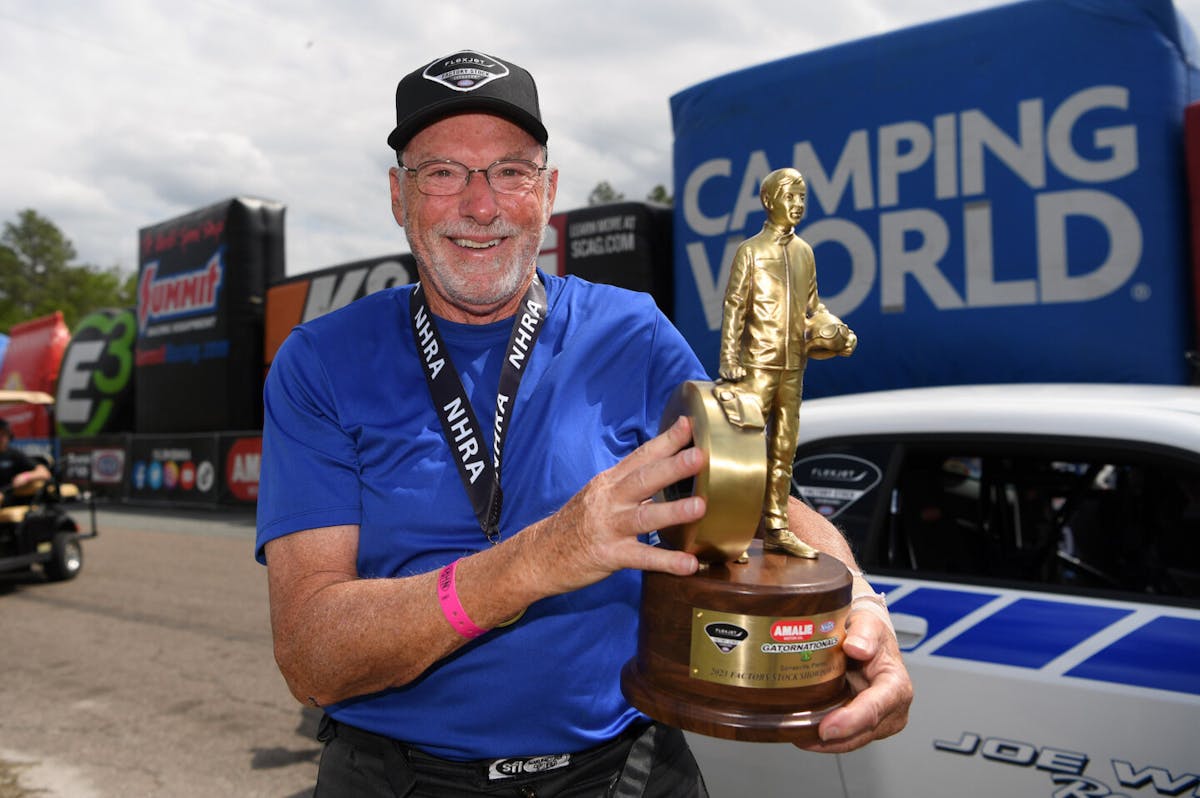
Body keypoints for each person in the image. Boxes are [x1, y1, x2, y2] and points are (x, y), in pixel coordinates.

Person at [256, 50, 911, 797]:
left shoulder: (629, 331)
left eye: (511, 171)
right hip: (397, 779)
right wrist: (538, 559)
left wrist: (859, 602)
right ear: (399, 198)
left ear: (548, 191)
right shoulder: (321, 362)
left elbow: (757, 501)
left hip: (625, 773)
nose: (481, 205)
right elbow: (311, 655)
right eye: (443, 173)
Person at [717, 167, 856, 559]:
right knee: (742, 453)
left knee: (783, 452)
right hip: (756, 365)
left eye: (802, 199)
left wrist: (835, 330)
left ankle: (777, 528)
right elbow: (734, 306)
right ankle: (734, 533)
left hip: (793, 366)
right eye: (789, 197)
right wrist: (729, 356)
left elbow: (815, 306)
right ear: (768, 201)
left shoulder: (805, 253)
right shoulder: (750, 251)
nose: (796, 206)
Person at [0, 419, 51, 504]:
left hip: (10, 498)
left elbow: (44, 472)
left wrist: (25, 476)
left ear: (9, 436)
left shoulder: (14, 455)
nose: (1, 438)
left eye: (3, 434)